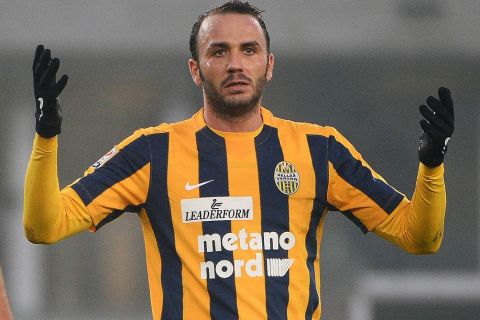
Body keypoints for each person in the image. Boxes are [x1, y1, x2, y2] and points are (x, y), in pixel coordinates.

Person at [24, 1, 454, 319]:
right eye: (219, 51)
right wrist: (46, 138)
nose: (235, 64)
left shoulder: (319, 150)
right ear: (196, 69)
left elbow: (420, 237)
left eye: (248, 50)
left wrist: (431, 164)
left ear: (269, 65)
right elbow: (44, 226)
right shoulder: (153, 152)